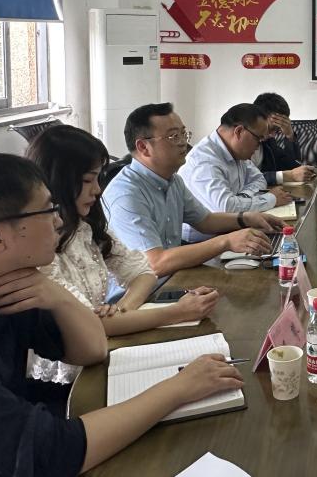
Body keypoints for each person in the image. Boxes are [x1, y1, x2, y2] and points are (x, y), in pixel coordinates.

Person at [0, 152, 243, 477]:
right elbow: (48, 455)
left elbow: (92, 351)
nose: (57, 221)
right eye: (47, 209)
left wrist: (59, 297)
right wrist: (178, 388)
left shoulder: (3, 282)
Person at [25, 125, 219, 391]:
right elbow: (91, 324)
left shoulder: (85, 225)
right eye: (88, 180)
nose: (97, 190)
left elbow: (143, 272)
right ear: (58, 181)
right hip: (68, 379)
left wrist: (121, 310)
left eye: (98, 178)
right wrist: (178, 312)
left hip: (104, 351)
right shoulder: (38, 246)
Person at [104, 103, 276, 276]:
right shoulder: (126, 194)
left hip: (172, 276)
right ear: (143, 147)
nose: (183, 143)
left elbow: (205, 220)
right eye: (173, 136)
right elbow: (154, 263)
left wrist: (247, 218)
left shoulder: (173, 181)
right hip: (142, 289)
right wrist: (226, 241)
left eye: (183, 133)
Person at [178, 102, 295, 243]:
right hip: (202, 244)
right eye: (258, 139)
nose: (259, 145)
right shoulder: (205, 161)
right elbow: (226, 208)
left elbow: (259, 179)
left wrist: (241, 197)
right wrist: (271, 199)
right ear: (239, 131)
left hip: (230, 231)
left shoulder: (235, 151)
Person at [252, 92, 316, 186]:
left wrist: (289, 135)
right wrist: (288, 176)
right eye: (271, 128)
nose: (273, 135)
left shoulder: (269, 142)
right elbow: (247, 179)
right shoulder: (242, 143)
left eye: (277, 130)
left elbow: (291, 165)